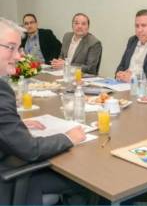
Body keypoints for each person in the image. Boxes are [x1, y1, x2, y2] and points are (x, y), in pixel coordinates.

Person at [0, 17, 88, 204]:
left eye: (18, 48)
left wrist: (14, 125)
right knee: (85, 179)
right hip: (5, 180)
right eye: (11, 47)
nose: (18, 56)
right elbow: (30, 150)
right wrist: (69, 137)